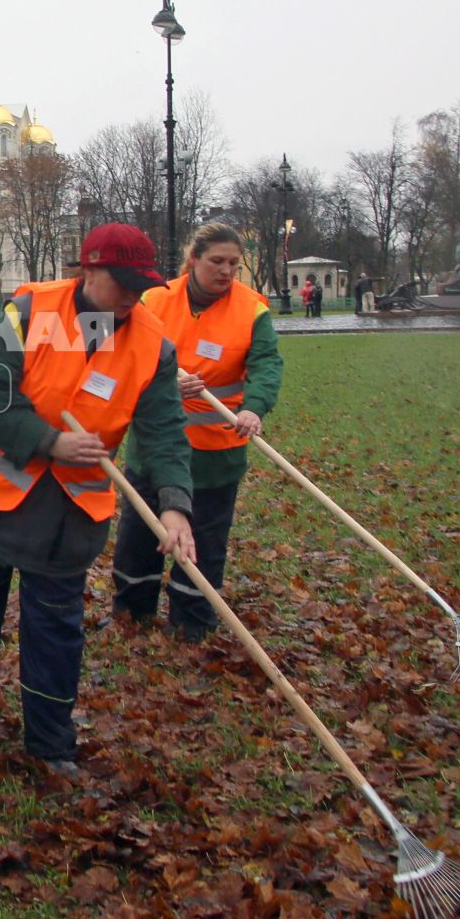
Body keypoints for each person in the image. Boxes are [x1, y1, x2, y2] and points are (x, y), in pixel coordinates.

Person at [0, 223, 194, 773]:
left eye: (138, 287)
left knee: (55, 628)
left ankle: (50, 742)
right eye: (119, 283)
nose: (129, 298)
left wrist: (173, 503)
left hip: (67, 511)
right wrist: (49, 441)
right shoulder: (25, 311)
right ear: (88, 269)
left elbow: (166, 429)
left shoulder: (152, 345)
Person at [112, 223, 282, 641]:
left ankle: (192, 621)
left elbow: (266, 365)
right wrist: (165, 382)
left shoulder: (252, 309)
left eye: (233, 265)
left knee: (204, 540)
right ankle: (132, 613)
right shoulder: (154, 300)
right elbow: (123, 353)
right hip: (154, 445)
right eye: (217, 262)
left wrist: (253, 409)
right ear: (194, 259)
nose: (226, 272)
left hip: (215, 452)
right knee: (139, 534)